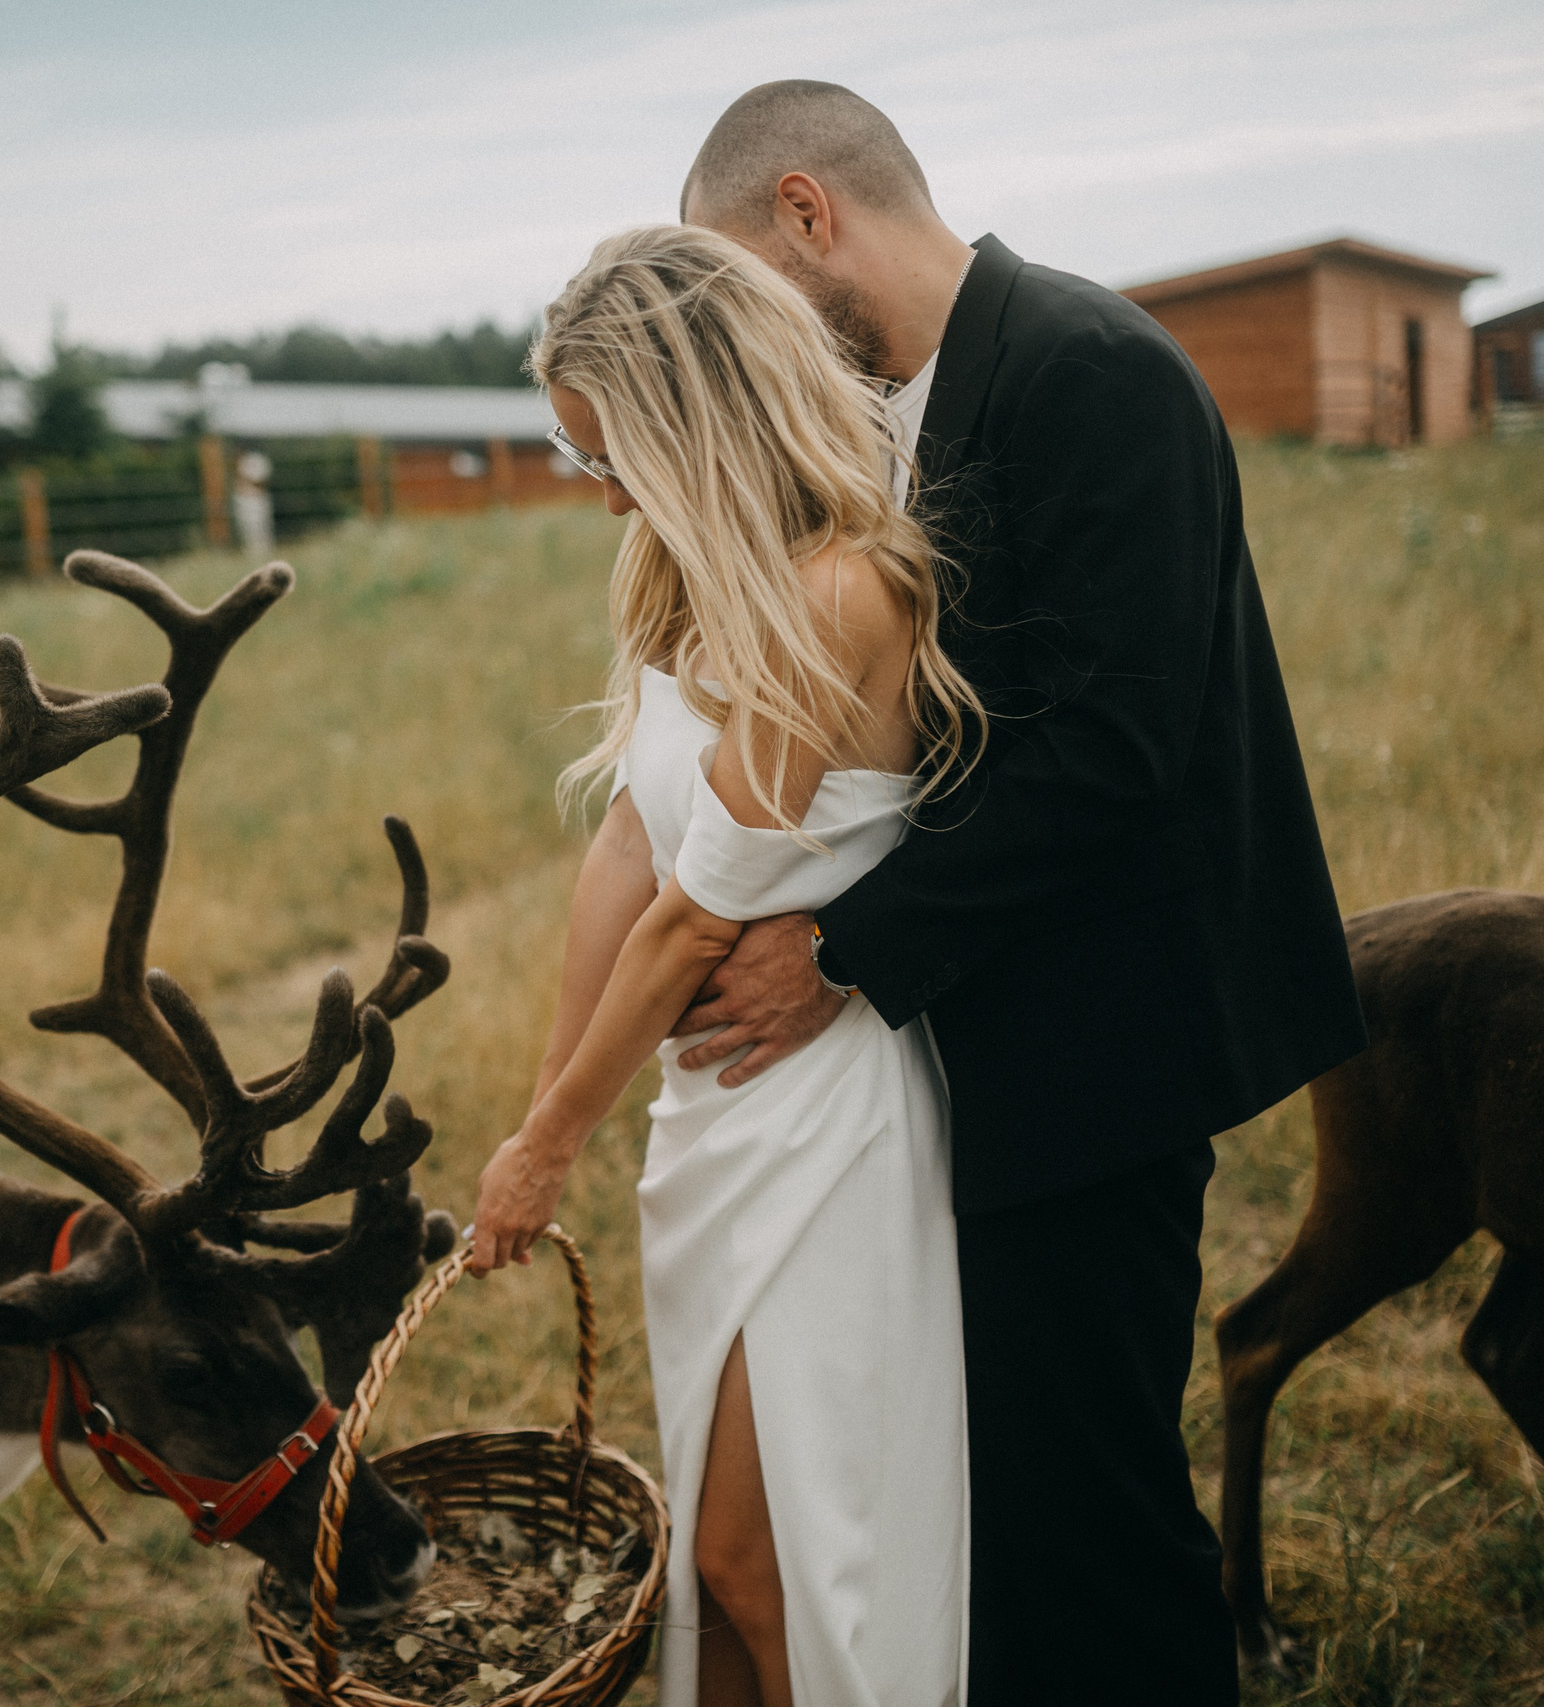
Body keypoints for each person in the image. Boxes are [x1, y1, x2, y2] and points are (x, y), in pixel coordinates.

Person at [659, 82, 1372, 1704]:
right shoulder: (895, 405)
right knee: (997, 1494)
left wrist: (841, 946)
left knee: (1090, 1503)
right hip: (988, 1040)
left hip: (1103, 1047)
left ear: (805, 211)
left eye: (738, 279)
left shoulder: (1089, 369)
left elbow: (1115, 748)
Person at [468, 224, 988, 1707]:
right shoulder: (680, 580)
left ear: (689, 413)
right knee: (705, 1554)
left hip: (825, 1120)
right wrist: (547, 1106)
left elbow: (703, 915)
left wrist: (547, 1143)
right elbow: (630, 849)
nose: (605, 488)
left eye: (608, 449)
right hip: (708, 1120)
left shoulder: (843, 589)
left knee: (778, 1558)